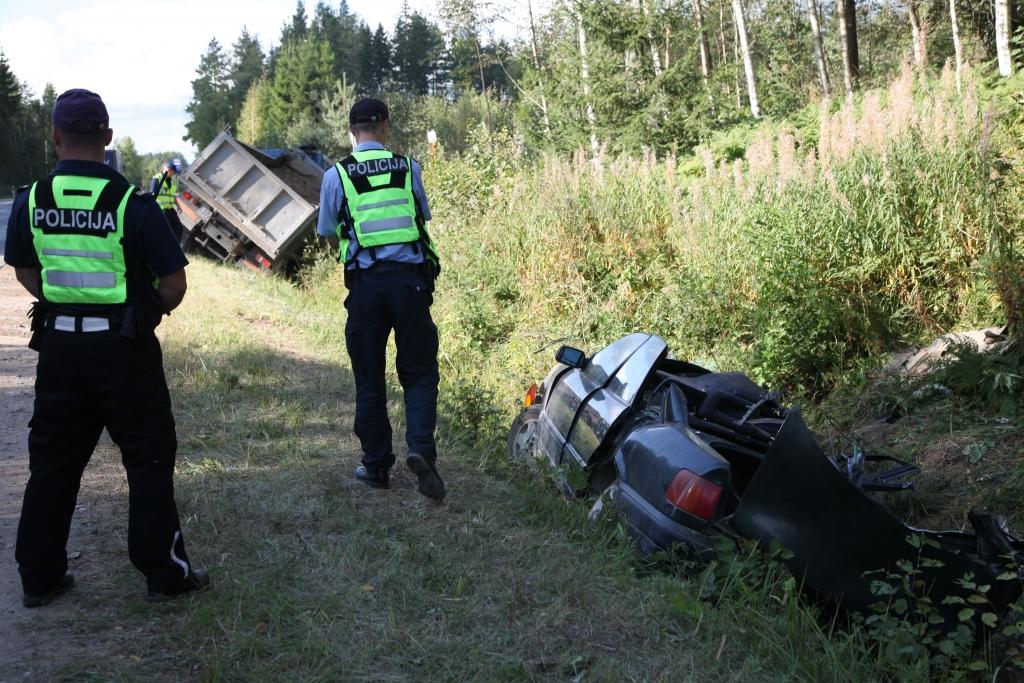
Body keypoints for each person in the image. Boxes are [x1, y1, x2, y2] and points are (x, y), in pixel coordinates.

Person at [3, 88, 209, 607]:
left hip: (60, 352)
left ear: (55, 137)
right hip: (125, 352)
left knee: (53, 462)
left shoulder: (31, 199)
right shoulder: (130, 203)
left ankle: (39, 577)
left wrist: (62, 300)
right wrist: (143, 312)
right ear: (108, 138)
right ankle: (164, 575)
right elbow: (173, 283)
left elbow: (25, 268)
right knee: (148, 461)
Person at [317, 97, 446, 501]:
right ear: (385, 126)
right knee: (420, 372)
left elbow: (326, 230)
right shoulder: (408, 167)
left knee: (369, 374)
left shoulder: (337, 174)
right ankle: (421, 450)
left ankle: (376, 466)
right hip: (411, 285)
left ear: (351, 130)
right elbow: (421, 217)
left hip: (366, 287)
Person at [149, 159, 185, 244]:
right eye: (171, 170)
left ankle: (175, 248)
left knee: (178, 228)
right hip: (161, 210)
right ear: (165, 168)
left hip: (170, 210)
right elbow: (152, 195)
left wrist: (178, 206)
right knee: (164, 232)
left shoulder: (172, 182)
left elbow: (172, 196)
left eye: (173, 171)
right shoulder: (157, 179)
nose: (172, 172)